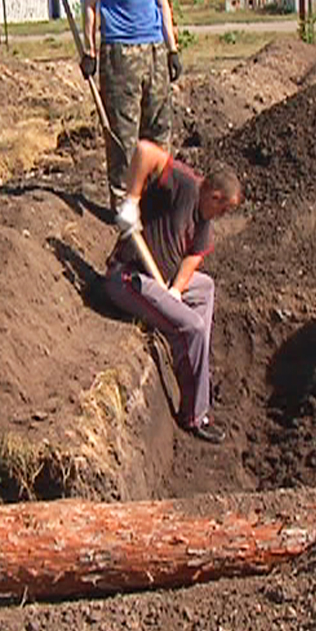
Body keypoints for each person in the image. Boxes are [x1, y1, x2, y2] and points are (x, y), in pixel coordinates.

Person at [104, 140, 243, 444]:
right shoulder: (184, 185)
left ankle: (197, 375)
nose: (222, 215)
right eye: (224, 208)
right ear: (215, 196)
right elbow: (143, 150)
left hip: (159, 283)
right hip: (128, 277)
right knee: (191, 328)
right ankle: (195, 415)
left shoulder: (204, 219)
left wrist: (177, 290)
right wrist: (131, 201)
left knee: (205, 287)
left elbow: (195, 256)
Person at [81, 0, 182, 206]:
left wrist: (172, 49)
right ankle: (126, 206)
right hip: (120, 53)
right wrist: (89, 51)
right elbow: (90, 4)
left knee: (159, 126)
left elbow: (163, 3)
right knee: (123, 134)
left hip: (154, 51)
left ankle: (157, 199)